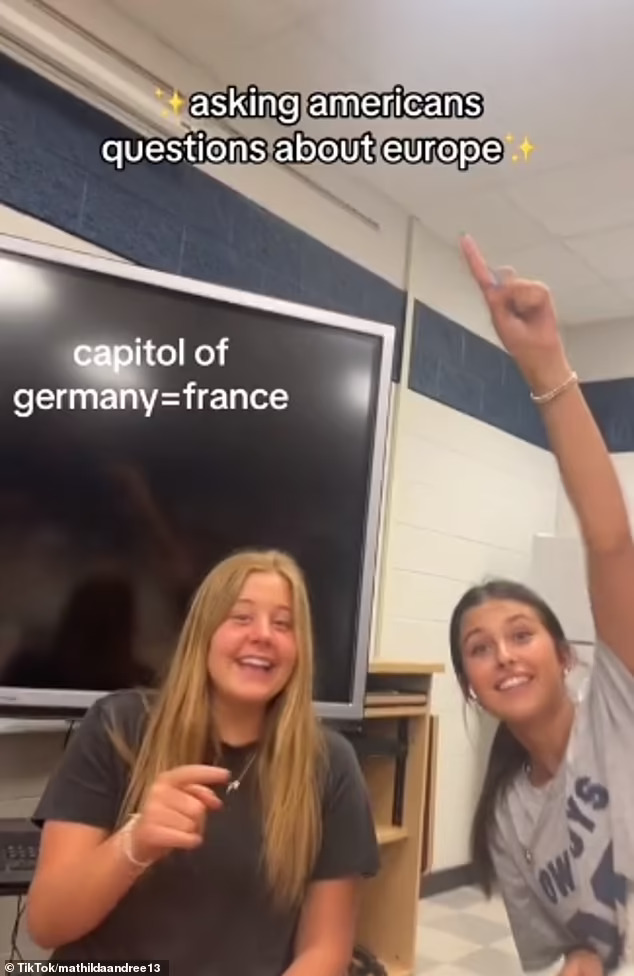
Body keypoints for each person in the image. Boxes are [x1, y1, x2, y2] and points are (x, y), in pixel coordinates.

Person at [26, 549, 380, 975]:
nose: (263, 635)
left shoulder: (330, 765)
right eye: (241, 617)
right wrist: (133, 845)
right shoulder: (117, 727)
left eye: (283, 624)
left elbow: (325, 949)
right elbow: (47, 924)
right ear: (203, 633)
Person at [449, 235, 634, 976]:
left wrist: (546, 366)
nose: (504, 656)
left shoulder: (616, 712)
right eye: (480, 648)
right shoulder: (506, 819)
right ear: (471, 688)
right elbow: (560, 955)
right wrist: (583, 956)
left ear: (565, 656)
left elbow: (610, 541)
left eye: (521, 634)